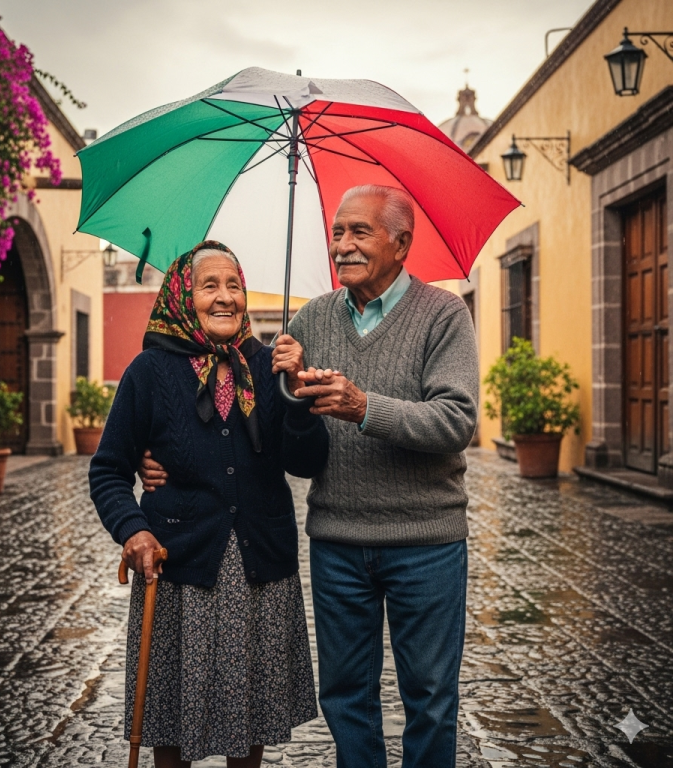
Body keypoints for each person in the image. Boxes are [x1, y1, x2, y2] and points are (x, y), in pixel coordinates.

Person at [141, 185, 479, 768]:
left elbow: (456, 421)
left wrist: (363, 406)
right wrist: (168, 459)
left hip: (425, 543)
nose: (342, 245)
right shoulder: (311, 320)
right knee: (346, 699)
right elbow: (272, 439)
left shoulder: (443, 315)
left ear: (401, 243)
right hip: (337, 542)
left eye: (359, 232)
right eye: (337, 232)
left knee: (429, 700)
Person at [90, 240, 328, 768]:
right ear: (182, 296)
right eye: (210, 286)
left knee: (251, 724)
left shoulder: (269, 365)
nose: (226, 298)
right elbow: (108, 469)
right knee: (171, 721)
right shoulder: (149, 373)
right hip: (179, 572)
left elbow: (307, 462)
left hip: (259, 569)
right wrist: (134, 531)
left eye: (234, 285)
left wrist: (298, 393)